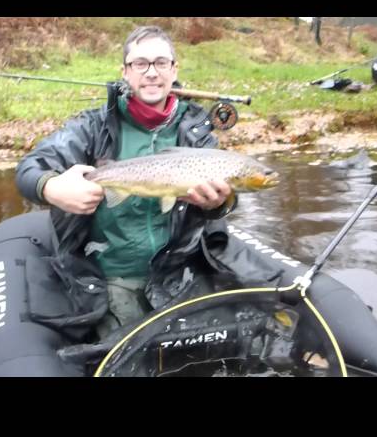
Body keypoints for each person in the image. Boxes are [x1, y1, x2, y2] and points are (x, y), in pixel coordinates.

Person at [15, 25, 238, 342]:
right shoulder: (93, 126)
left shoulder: (196, 131)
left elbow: (226, 204)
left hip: (179, 272)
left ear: (174, 70)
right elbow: (29, 168)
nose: (151, 72)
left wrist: (218, 205)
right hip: (112, 273)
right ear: (125, 72)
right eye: (140, 63)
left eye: (161, 62)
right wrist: (52, 188)